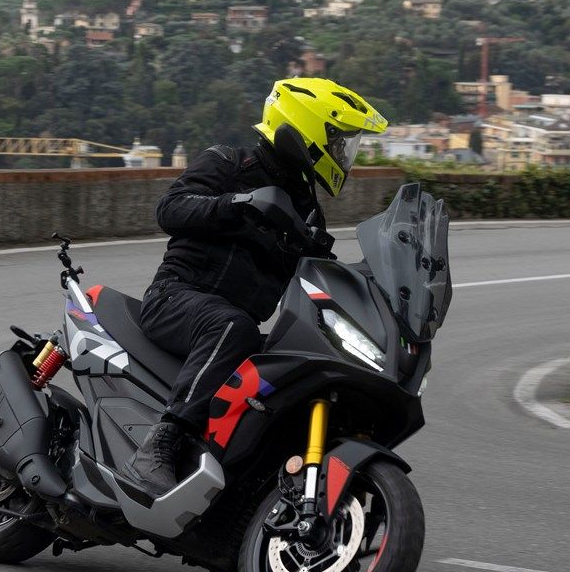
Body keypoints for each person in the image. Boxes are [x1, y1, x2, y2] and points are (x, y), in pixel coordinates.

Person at [122, 78, 387, 494]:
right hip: (176, 296)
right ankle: (161, 443)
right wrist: (238, 204)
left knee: (297, 365)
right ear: (308, 130)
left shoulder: (307, 211)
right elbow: (169, 209)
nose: (343, 154)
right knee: (233, 327)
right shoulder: (229, 162)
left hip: (233, 324)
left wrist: (371, 285)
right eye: (338, 142)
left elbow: (317, 274)